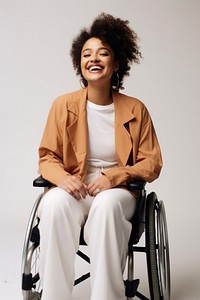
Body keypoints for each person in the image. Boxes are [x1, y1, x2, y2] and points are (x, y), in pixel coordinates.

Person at [37, 12, 162, 300]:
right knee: (54, 203)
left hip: (118, 189)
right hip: (75, 184)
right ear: (79, 64)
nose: (93, 59)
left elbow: (152, 162)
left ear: (116, 63)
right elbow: (47, 157)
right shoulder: (62, 105)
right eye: (86, 55)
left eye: (103, 53)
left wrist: (114, 176)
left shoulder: (136, 109)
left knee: (106, 206)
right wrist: (63, 178)